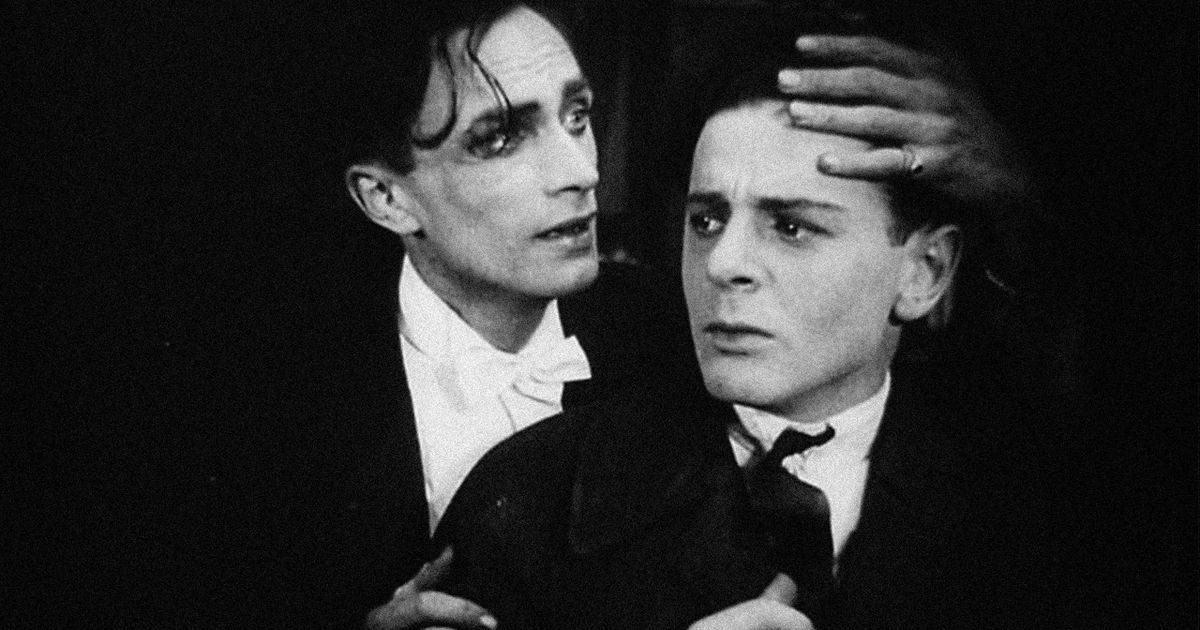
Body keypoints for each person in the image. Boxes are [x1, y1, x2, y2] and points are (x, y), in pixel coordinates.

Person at [426, 16, 1052, 629]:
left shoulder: (1037, 504)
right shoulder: (531, 495)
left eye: (791, 226)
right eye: (705, 221)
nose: (722, 264)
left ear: (924, 273)